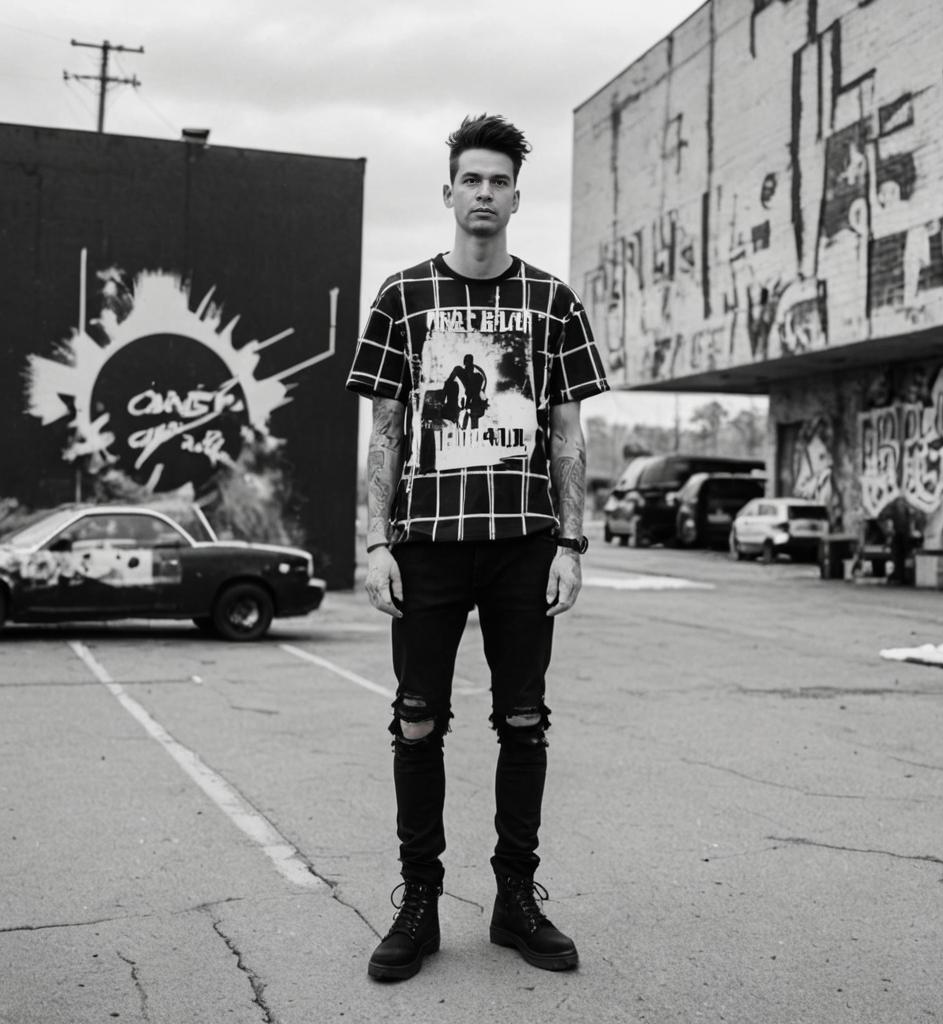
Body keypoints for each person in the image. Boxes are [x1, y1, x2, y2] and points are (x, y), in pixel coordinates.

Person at [346, 113, 609, 982]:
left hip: (522, 546)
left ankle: (514, 899)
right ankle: (418, 903)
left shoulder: (552, 300)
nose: (485, 194)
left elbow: (568, 436)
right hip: (425, 545)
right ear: (450, 192)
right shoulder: (403, 295)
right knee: (417, 720)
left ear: (516, 197)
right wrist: (374, 540)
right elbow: (384, 431)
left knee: (523, 720)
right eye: (473, 180)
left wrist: (573, 541)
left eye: (500, 182)